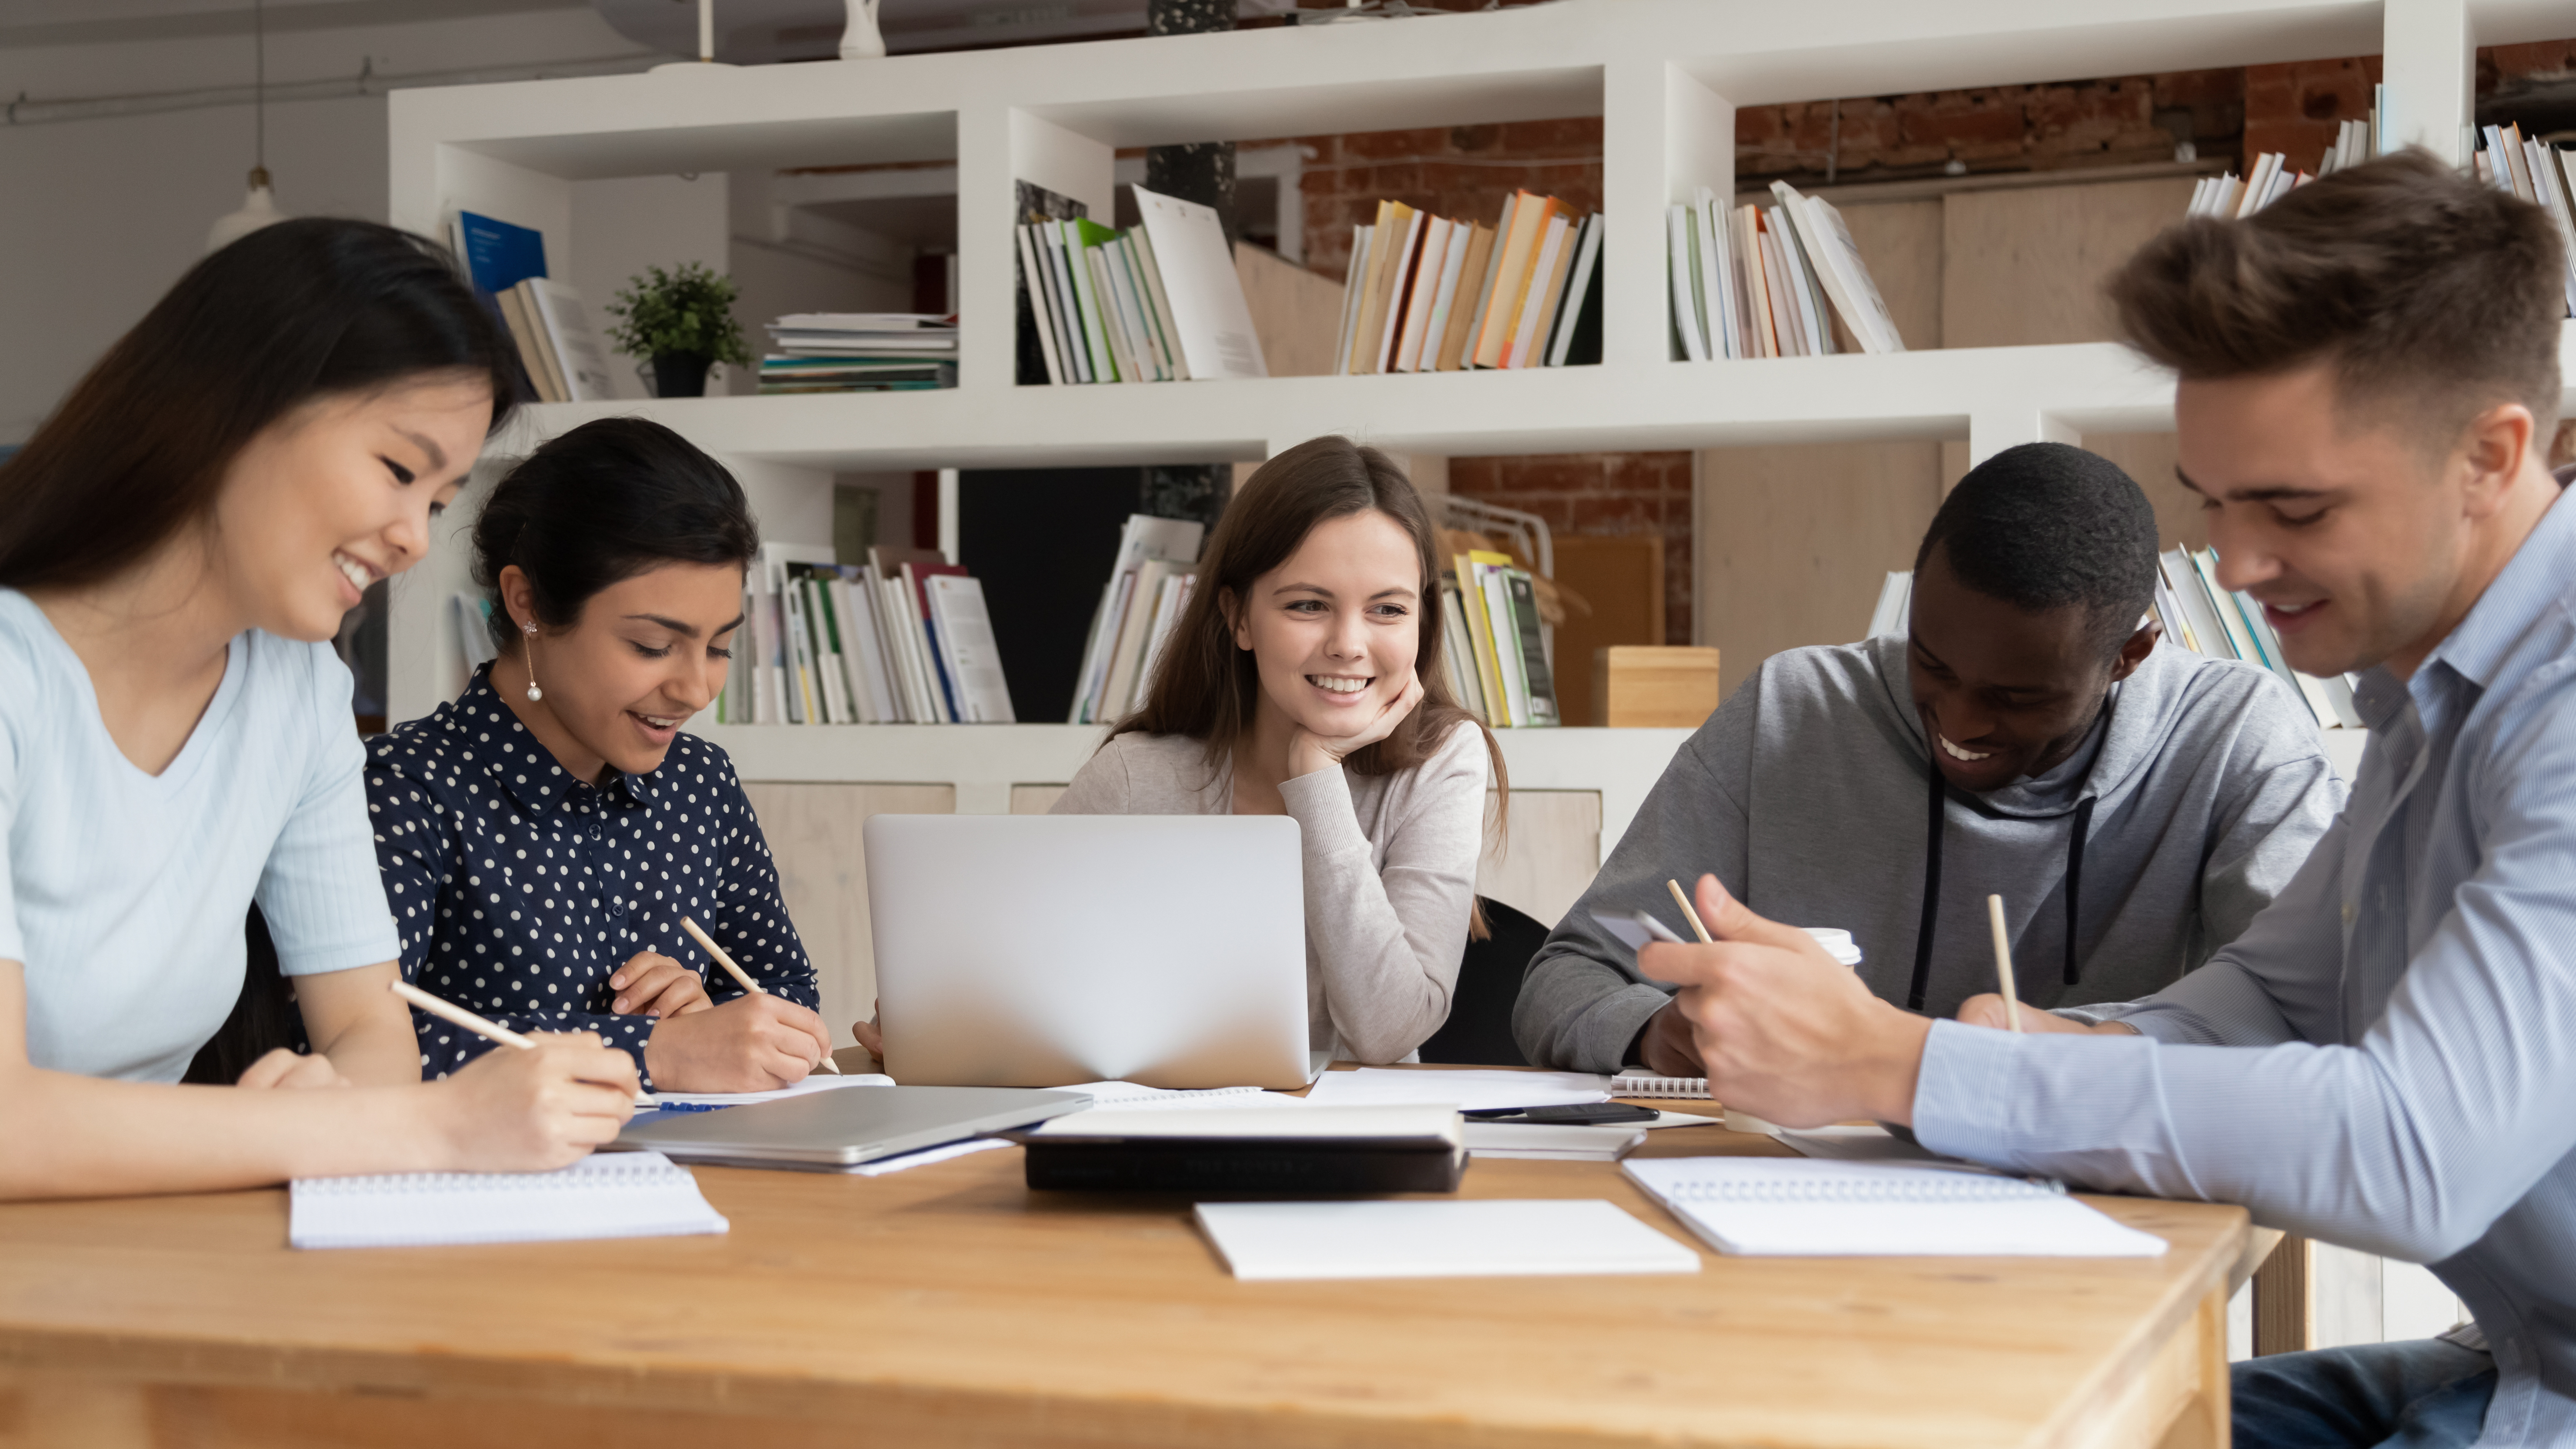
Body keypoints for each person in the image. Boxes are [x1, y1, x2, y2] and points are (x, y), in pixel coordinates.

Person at [1650, 150, 2575, 1448]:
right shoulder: (2430, 696)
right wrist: (2045, 1046)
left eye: (2293, 506)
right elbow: (2273, 993)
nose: (2240, 564)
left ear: (2489, 453)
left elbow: (2413, 1152)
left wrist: (1898, 1060)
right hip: (2511, 1356)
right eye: (2215, 502)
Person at [0, 218, 638, 1200]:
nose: (413, 539)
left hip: (119, 1250)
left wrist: (335, 1107)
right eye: (399, 470)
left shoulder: (299, 689)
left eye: (438, 501)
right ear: (235, 405)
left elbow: (368, 1026)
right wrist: (417, 1125)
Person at [1515, 443, 2345, 1074]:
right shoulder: (1790, 709)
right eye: (1933, 664)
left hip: (2092, 1205)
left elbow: (2306, 1015)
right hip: (1795, 1201)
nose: (1958, 719)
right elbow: (1568, 974)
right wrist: (1661, 1032)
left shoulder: (2238, 738)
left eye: (2018, 696)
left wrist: (2033, 1051)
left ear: (2130, 654)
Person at [856, 436, 1497, 1066]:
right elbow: (1007, 974)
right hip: (1154, 1132)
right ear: (1238, 616)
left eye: (1387, 609)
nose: (1349, 643)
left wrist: (1316, 777)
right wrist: (942, 1016)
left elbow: (1389, 1033)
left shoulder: (1441, 760)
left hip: (1359, 1150)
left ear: (1422, 621)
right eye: (1308, 604)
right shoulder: (1139, 775)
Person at [366, 418, 834, 1094]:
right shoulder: (407, 790)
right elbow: (348, 1051)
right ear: (526, 602)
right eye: (651, 646)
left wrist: (715, 1018)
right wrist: (654, 1048)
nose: (695, 688)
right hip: (480, 1189)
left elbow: (787, 999)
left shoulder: (700, 784)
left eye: (720, 646)